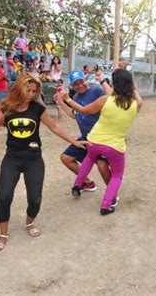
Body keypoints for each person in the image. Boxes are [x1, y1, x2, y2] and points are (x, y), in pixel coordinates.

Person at [0, 73, 86, 251]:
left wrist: (74, 142)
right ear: (20, 88)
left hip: (34, 158)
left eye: (34, 91)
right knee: (4, 196)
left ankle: (29, 222)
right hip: (12, 158)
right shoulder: (7, 108)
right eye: (28, 90)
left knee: (35, 198)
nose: (31, 94)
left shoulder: (37, 108)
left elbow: (55, 127)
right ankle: (3, 234)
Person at [60, 69, 142, 215]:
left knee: (90, 159)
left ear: (114, 84)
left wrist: (67, 99)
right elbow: (131, 96)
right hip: (114, 146)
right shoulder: (136, 104)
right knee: (117, 175)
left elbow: (84, 110)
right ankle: (106, 205)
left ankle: (78, 185)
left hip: (93, 140)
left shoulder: (104, 99)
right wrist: (130, 86)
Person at [55, 70, 111, 191]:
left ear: (85, 80)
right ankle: (87, 183)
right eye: (76, 84)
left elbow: (111, 99)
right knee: (66, 158)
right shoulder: (75, 97)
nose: (80, 85)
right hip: (86, 139)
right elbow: (76, 114)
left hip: (101, 139)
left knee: (102, 165)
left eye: (82, 82)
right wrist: (61, 102)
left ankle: (112, 191)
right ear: (72, 86)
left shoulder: (96, 91)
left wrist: (103, 81)